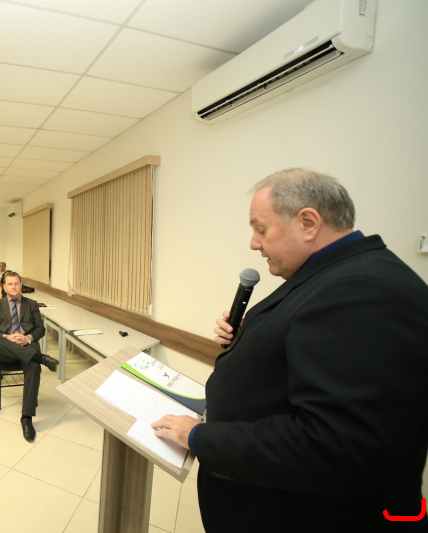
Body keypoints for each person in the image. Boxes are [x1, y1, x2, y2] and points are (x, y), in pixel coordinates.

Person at [151, 169, 428, 532]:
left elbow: (333, 446)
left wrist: (197, 436)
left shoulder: (362, 290)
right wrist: (249, 343)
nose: (254, 243)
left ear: (308, 223)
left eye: (261, 229)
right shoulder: (334, 277)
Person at [0, 272, 57, 441]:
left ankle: (26, 418)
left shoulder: (31, 304)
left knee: (33, 366)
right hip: (6, 350)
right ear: (4, 287)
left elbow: (40, 329)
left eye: (16, 283)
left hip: (26, 345)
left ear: (21, 285)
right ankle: (41, 358)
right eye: (10, 284)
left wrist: (27, 338)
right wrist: (8, 337)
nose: (14, 287)